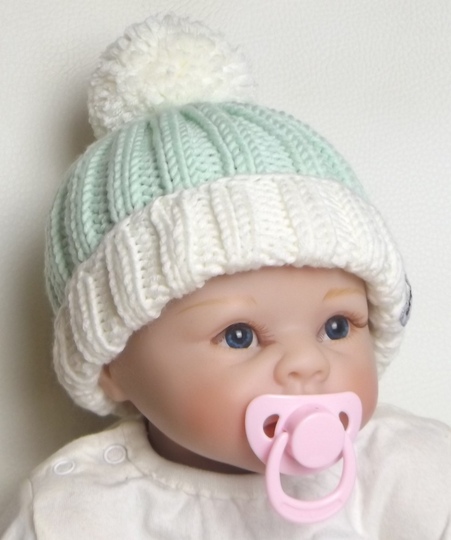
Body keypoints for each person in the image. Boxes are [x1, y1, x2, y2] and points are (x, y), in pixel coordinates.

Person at [2, 14, 450, 539]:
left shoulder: (414, 475)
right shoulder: (74, 515)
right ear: (112, 365)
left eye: (337, 327)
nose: (308, 364)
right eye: (239, 335)